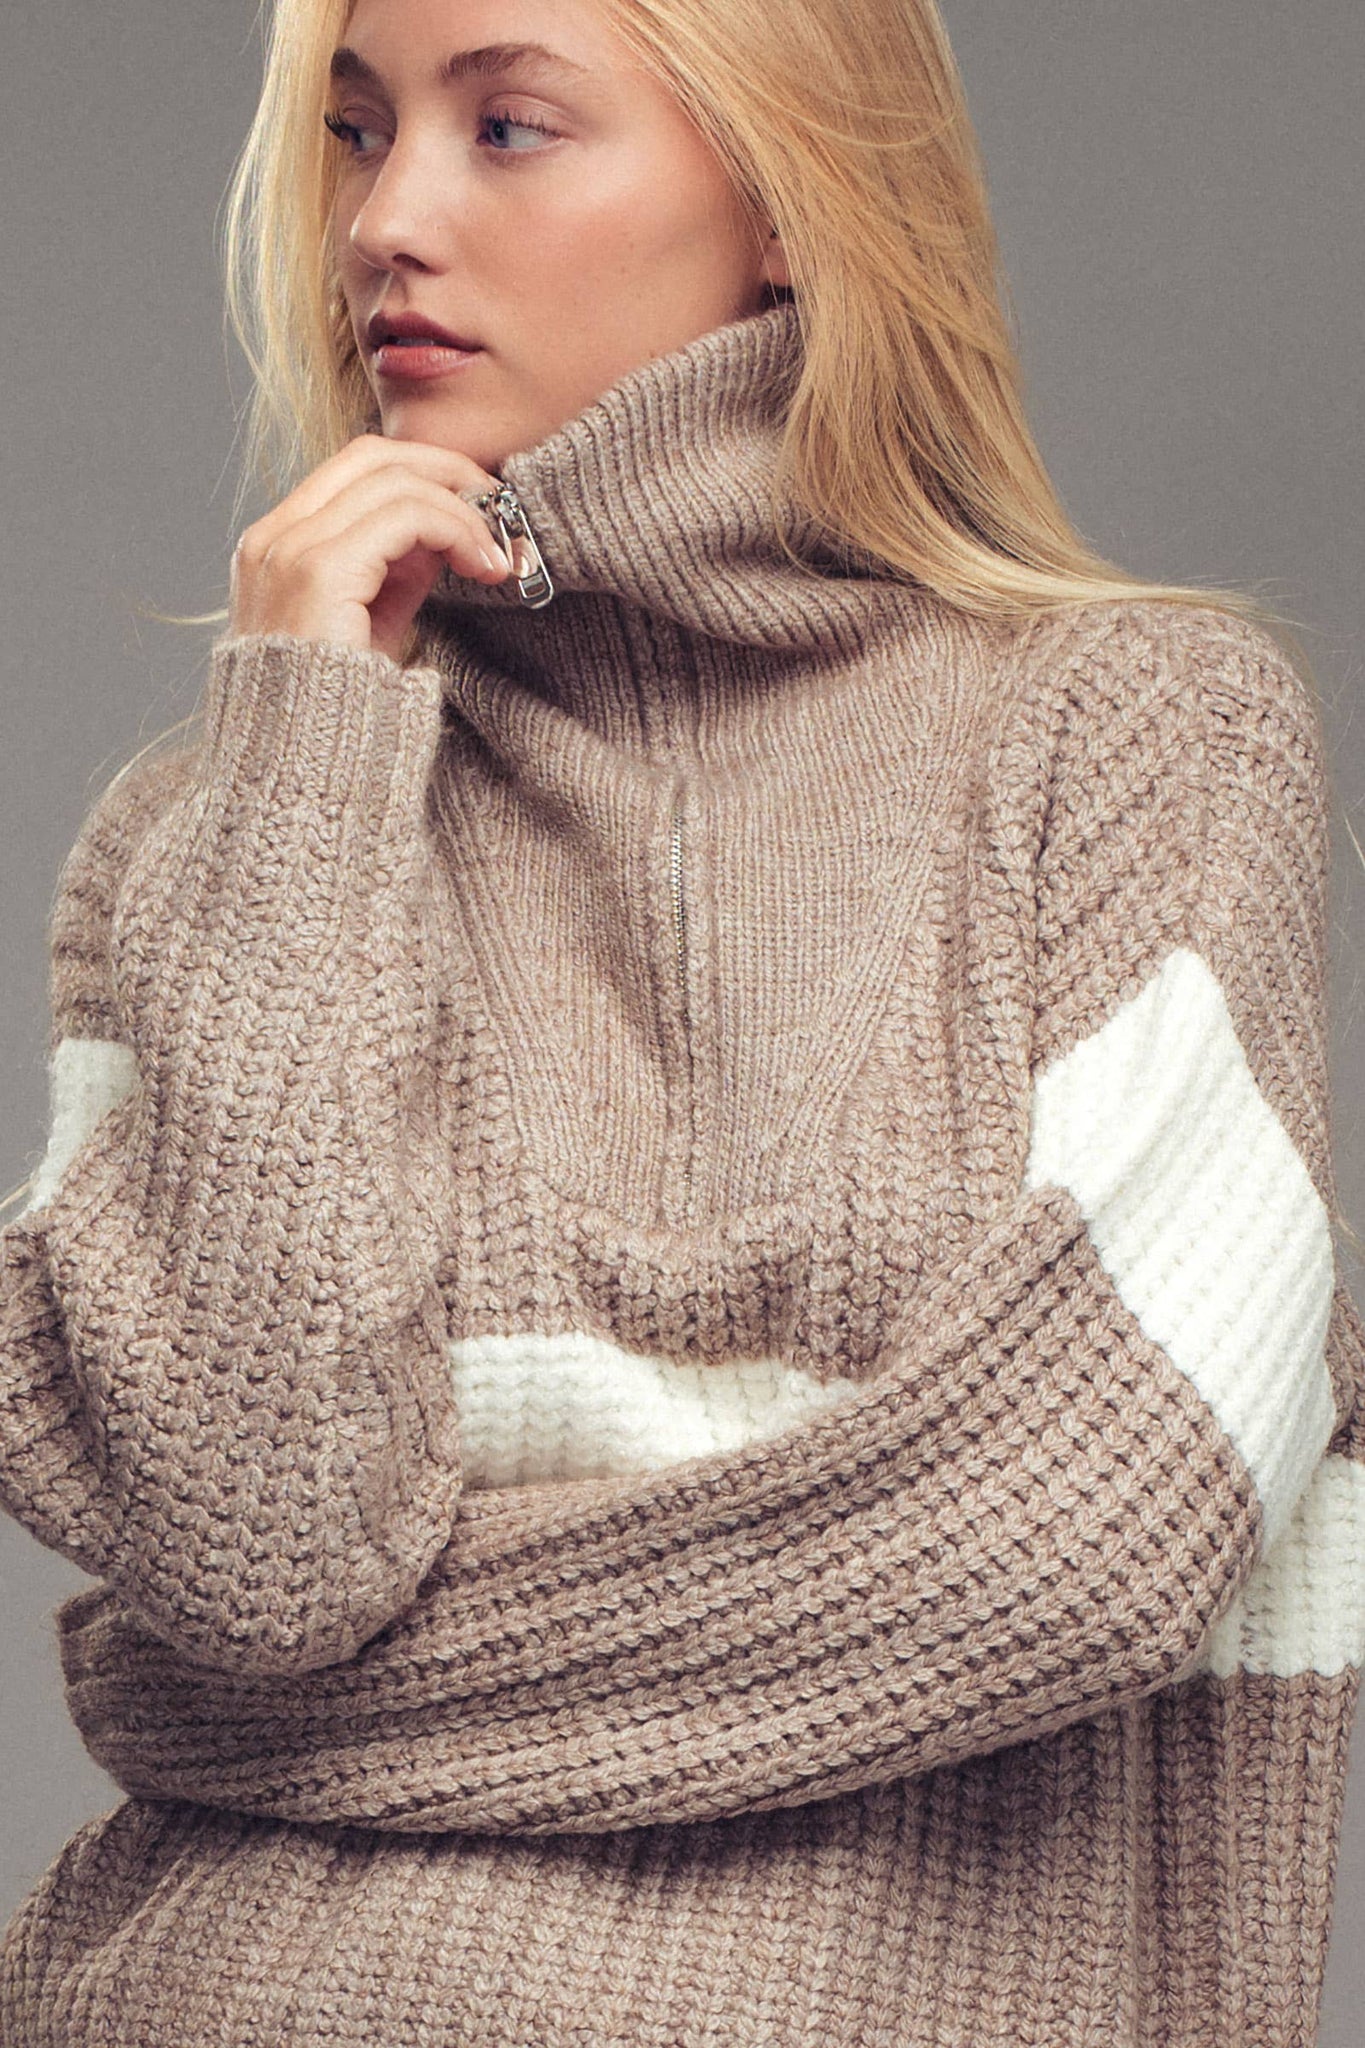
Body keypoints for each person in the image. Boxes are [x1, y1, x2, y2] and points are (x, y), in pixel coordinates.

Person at [1, 0, 1361, 2042]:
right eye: (358, 132)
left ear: (788, 200)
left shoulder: (1131, 741)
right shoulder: (233, 831)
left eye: (508, 126)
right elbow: (260, 1557)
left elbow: (1076, 1539)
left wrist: (242, 1728)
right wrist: (301, 756)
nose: (384, 220)